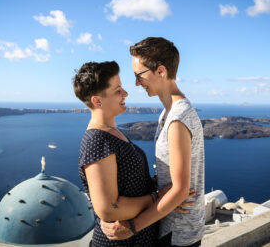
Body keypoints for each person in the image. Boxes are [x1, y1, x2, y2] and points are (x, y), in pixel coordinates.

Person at [73, 61, 195, 247]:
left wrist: (169, 192)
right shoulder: (97, 141)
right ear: (97, 101)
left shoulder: (112, 132)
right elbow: (108, 209)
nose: (125, 93)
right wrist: (157, 198)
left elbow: (130, 182)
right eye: (117, 90)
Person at [101, 37, 205, 247]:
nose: (137, 83)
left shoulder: (177, 119)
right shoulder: (168, 113)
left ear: (161, 71)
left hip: (176, 234)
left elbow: (180, 190)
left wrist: (131, 227)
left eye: (140, 75)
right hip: (173, 227)